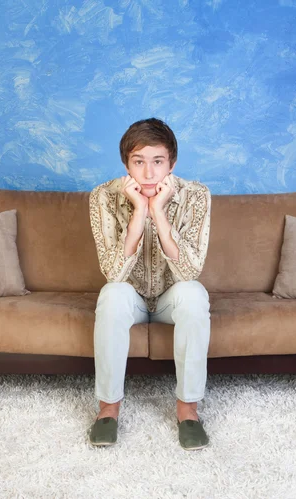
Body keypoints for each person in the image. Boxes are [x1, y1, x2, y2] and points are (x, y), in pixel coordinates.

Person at [87, 118, 212, 450]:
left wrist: (158, 212)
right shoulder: (103, 196)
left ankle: (188, 411)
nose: (148, 173)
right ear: (126, 163)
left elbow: (189, 271)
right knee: (111, 294)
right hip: (132, 298)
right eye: (138, 162)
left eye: (158, 161)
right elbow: (114, 273)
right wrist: (138, 213)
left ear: (171, 162)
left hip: (172, 297)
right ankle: (108, 410)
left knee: (194, 294)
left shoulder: (196, 195)